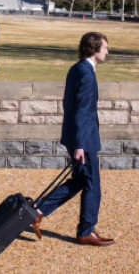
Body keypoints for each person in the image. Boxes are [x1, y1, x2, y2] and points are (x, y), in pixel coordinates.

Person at [32, 32, 114, 247]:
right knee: (92, 185)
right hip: (83, 140)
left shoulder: (77, 68)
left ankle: (38, 211)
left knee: (79, 180)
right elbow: (81, 111)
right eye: (105, 47)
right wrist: (79, 144)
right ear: (94, 49)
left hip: (76, 136)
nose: (107, 51)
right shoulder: (85, 73)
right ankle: (85, 232)